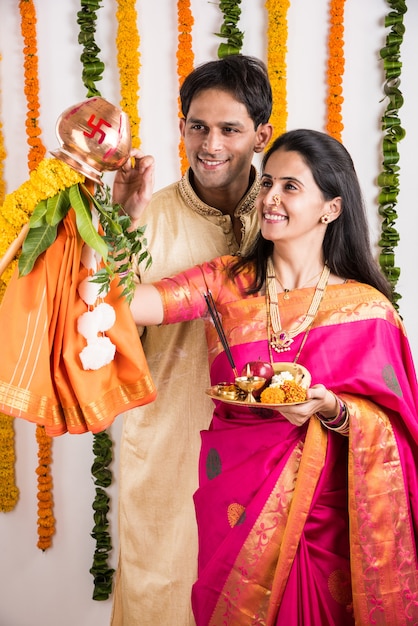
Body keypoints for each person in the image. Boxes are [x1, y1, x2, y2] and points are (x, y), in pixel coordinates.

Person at [126, 129, 418, 625]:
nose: (270, 198)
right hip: (237, 502)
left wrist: (332, 408)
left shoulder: (367, 310)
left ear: (331, 208)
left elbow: (399, 430)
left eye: (290, 186)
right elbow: (127, 305)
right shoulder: (224, 281)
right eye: (267, 183)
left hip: (330, 519)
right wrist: (126, 219)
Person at [110, 55, 273, 625]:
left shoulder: (285, 216)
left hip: (267, 449)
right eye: (197, 126)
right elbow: (97, 323)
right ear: (181, 128)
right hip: (168, 447)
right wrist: (120, 222)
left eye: (230, 128)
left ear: (261, 134)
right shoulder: (147, 217)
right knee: (166, 594)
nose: (211, 143)